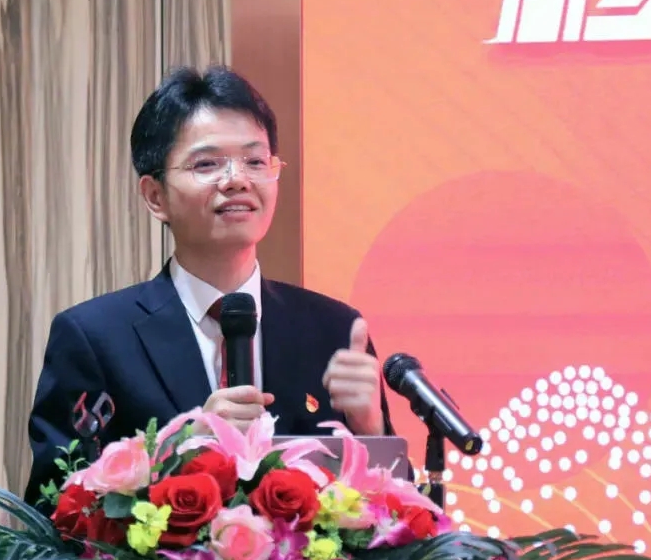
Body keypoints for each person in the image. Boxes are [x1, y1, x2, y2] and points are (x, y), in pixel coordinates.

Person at [23, 65, 401, 510]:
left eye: (255, 161)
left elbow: (398, 518)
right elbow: (53, 510)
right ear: (155, 196)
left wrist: (371, 432)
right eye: (207, 164)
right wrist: (181, 451)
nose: (238, 180)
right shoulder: (95, 338)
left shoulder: (332, 331)